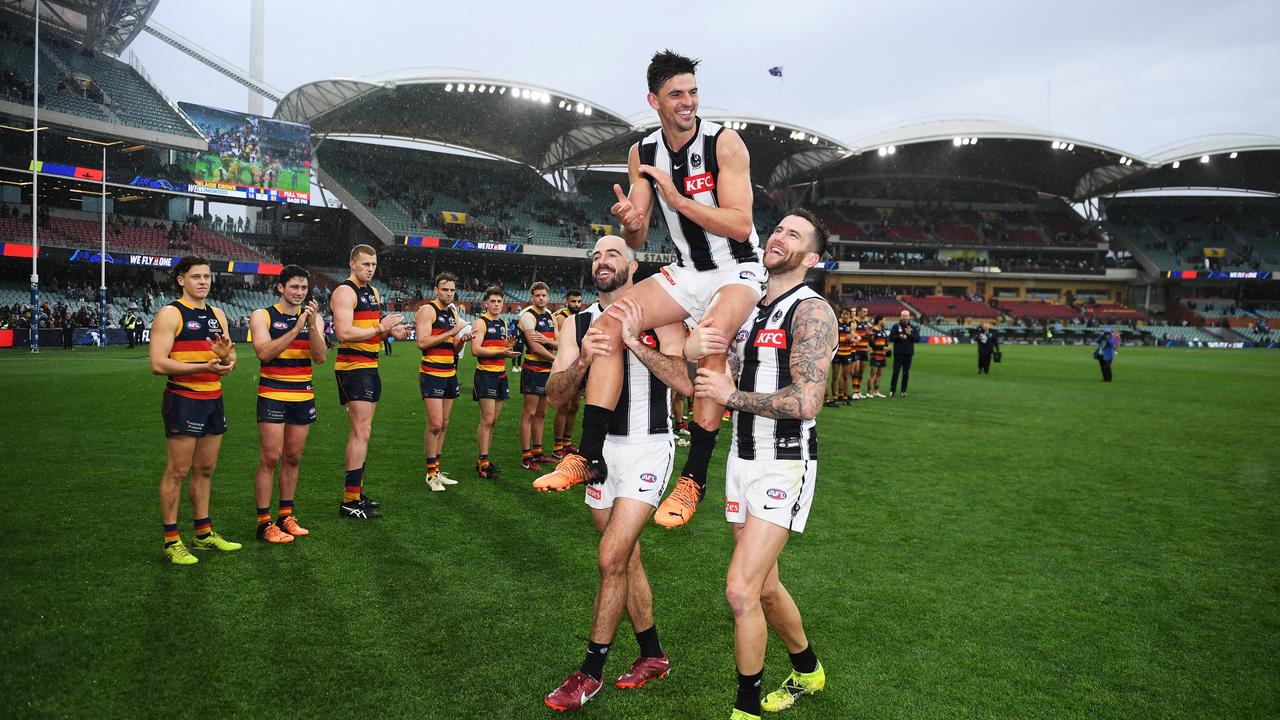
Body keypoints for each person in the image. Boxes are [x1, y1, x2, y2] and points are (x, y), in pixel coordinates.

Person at [538, 50, 767, 530]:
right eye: (676, 94)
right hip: (686, 271)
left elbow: (742, 224)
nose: (687, 103)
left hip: (736, 269)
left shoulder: (726, 144)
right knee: (610, 322)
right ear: (654, 100)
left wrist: (678, 200)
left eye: (693, 92)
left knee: (710, 340)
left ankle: (694, 477)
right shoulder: (642, 153)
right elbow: (638, 238)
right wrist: (633, 222)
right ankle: (588, 453)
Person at [689, 210, 834, 720]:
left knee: (740, 588)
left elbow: (808, 401)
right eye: (777, 229)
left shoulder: (811, 311)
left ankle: (745, 710)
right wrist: (648, 350)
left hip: (784, 463)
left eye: (793, 234)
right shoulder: (750, 309)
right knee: (766, 587)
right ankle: (808, 668)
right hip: (740, 460)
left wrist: (733, 395)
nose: (778, 236)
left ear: (811, 258)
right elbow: (707, 380)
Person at [539, 236, 692, 711]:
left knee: (610, 558)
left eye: (612, 254)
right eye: (596, 255)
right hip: (601, 451)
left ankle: (590, 673)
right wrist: (585, 355)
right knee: (627, 561)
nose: (601, 261)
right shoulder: (577, 323)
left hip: (648, 447)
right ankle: (652, 654)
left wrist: (633, 343)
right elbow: (555, 396)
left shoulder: (662, 312)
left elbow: (685, 380)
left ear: (632, 265)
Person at [148, 255, 241, 565]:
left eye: (207, 276)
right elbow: (158, 364)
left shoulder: (218, 314)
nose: (203, 281)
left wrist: (227, 360)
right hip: (183, 398)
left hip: (213, 399)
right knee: (177, 471)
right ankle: (171, 541)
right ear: (181, 280)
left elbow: (230, 358)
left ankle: (203, 535)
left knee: (205, 469)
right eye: (196, 276)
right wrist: (206, 364)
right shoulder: (170, 314)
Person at [248, 265, 327, 543]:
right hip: (272, 393)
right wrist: (296, 328)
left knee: (293, 457)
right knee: (271, 457)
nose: (299, 293)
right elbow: (264, 353)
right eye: (294, 287)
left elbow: (320, 358)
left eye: (304, 288)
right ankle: (264, 523)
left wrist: (312, 327)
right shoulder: (262, 315)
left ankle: (286, 515)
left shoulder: (313, 319)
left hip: (302, 395)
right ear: (280, 287)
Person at [330, 244, 409, 520]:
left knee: (366, 431)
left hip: (370, 366)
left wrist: (391, 333)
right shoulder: (344, 291)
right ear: (352, 264)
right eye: (365, 264)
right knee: (360, 432)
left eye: (373, 265)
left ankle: (356, 492)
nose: (370, 269)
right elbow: (343, 332)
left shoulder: (372, 292)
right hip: (352, 367)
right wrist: (380, 328)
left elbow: (370, 332)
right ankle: (349, 500)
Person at [415, 272, 470, 492]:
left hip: (449, 372)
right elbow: (422, 342)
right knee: (435, 424)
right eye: (444, 289)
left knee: (444, 423)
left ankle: (437, 470)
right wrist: (452, 331)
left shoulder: (453, 311)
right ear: (436, 290)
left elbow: (453, 346)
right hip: (431, 372)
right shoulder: (427, 310)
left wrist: (461, 340)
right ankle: (430, 474)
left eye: (451, 290)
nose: (448, 293)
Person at [471, 286, 521, 478]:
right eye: (492, 301)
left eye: (499, 301)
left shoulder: (502, 323)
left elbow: (498, 351)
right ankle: (482, 461)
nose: (496, 304)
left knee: (494, 421)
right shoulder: (480, 322)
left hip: (500, 375)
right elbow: (476, 350)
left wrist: (506, 348)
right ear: (485, 303)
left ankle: (485, 459)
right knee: (487, 419)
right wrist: (501, 352)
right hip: (485, 376)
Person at [518, 282, 558, 470]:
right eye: (538, 295)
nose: (541, 298)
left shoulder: (550, 316)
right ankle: (526, 457)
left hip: (547, 370)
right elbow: (534, 346)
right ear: (532, 297)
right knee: (529, 413)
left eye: (544, 295)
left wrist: (548, 341)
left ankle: (538, 453)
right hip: (533, 369)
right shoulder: (528, 316)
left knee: (542, 413)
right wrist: (555, 359)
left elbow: (558, 342)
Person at [550, 290, 583, 459]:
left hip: (580, 365)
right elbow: (563, 344)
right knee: (564, 406)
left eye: (578, 301)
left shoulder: (582, 316)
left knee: (575, 406)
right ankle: (557, 446)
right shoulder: (562, 317)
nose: (576, 304)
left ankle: (567, 442)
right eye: (573, 301)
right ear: (566, 301)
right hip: (566, 367)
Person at [888, 309, 920, 398]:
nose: (905, 317)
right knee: (896, 372)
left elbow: (917, 339)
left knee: (906, 372)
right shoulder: (895, 326)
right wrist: (899, 337)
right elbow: (891, 337)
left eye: (906, 316)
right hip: (898, 353)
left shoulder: (913, 327)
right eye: (903, 316)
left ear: (909, 317)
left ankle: (903, 390)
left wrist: (909, 334)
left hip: (908, 353)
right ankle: (892, 390)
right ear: (900, 317)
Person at [827, 307, 854, 406]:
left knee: (846, 376)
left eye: (848, 314)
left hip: (847, 353)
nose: (846, 316)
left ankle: (845, 397)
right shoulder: (836, 323)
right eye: (844, 314)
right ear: (841, 315)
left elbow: (854, 336)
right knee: (835, 376)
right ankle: (834, 397)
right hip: (838, 353)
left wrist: (853, 338)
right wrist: (845, 339)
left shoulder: (852, 324)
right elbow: (833, 337)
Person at [850, 306, 871, 399]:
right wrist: (863, 335)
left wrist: (870, 334)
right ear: (859, 312)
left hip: (864, 349)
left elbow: (868, 335)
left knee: (861, 371)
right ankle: (854, 391)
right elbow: (852, 334)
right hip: (856, 349)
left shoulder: (866, 322)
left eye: (866, 312)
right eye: (864, 312)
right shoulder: (854, 322)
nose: (866, 313)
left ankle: (858, 391)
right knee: (856, 370)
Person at [867, 316, 888, 396]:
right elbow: (872, 344)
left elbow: (885, 342)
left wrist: (887, 348)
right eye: (884, 320)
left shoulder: (883, 330)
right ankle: (869, 392)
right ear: (880, 321)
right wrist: (883, 347)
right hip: (875, 355)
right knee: (873, 374)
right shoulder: (873, 331)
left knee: (879, 374)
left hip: (883, 355)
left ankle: (876, 391)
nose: (885, 321)